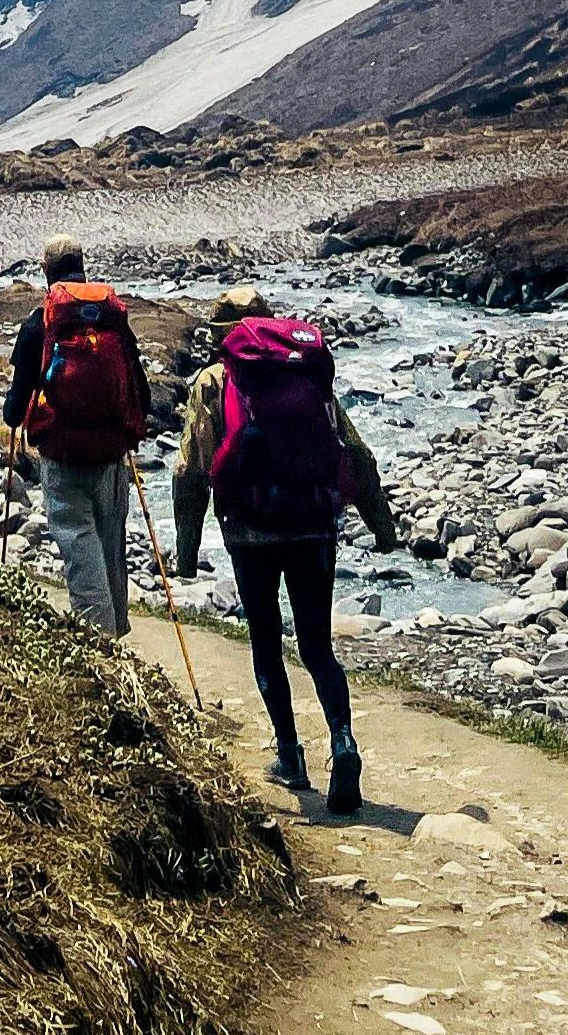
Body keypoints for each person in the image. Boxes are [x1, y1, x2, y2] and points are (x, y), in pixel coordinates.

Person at [171, 288, 395, 816]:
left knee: (267, 642)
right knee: (318, 646)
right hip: (315, 524)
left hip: (250, 531)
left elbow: (190, 471)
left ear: (220, 334)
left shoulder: (214, 380)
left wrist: (186, 552)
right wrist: (383, 530)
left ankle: (291, 756)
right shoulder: (305, 370)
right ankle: (343, 743)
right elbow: (355, 453)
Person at [0, 234, 151, 635]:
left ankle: (100, 643)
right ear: (82, 265)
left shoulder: (42, 323)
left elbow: (15, 408)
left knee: (78, 543)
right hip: (110, 455)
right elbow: (142, 392)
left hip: (62, 455)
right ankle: (117, 628)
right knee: (109, 541)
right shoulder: (112, 320)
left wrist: (14, 416)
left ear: (46, 271)